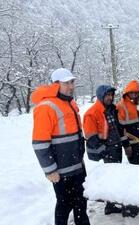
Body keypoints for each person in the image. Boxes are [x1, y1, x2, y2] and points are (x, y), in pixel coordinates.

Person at [31, 68, 90, 225]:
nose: (71, 86)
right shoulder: (46, 106)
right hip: (61, 171)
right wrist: (50, 170)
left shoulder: (69, 102)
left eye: (72, 82)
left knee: (81, 203)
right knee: (64, 205)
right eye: (66, 83)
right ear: (55, 84)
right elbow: (39, 143)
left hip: (77, 166)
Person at [82, 85, 130, 215]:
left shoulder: (112, 110)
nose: (110, 97)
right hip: (108, 150)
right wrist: (104, 150)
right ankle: (110, 206)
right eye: (107, 95)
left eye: (111, 95)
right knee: (111, 178)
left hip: (117, 147)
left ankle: (112, 203)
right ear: (101, 96)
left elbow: (119, 129)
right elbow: (91, 137)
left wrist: (125, 145)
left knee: (116, 176)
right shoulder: (92, 113)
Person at [116, 80, 139, 165]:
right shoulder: (121, 106)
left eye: (136, 93)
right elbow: (120, 129)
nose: (134, 95)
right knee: (135, 168)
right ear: (127, 93)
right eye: (131, 93)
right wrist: (126, 146)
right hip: (131, 144)